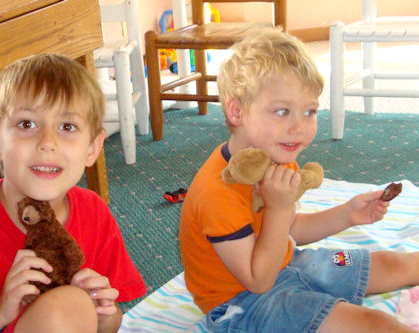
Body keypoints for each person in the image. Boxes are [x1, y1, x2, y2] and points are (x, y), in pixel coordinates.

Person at [179, 27, 419, 332]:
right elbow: (258, 280)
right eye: (282, 111)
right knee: (375, 324)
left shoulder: (278, 156)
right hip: (244, 302)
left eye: (309, 111)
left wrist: (347, 214)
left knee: (393, 264)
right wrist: (278, 209)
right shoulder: (217, 193)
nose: (299, 128)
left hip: (288, 261)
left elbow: (289, 229)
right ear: (237, 111)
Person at [0, 54, 146, 333]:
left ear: (92, 147)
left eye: (67, 126)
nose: (47, 142)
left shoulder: (94, 212)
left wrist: (104, 313)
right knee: (65, 309)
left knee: (71, 307)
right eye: (27, 124)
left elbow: (109, 323)